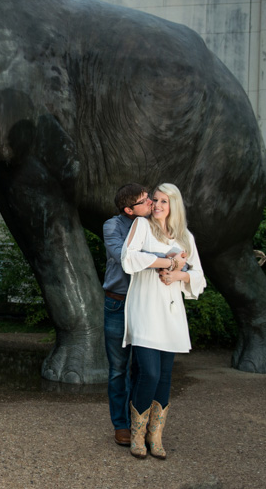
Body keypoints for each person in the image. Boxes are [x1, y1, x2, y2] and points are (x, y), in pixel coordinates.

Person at [121, 183, 205, 459]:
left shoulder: (185, 237)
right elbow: (129, 258)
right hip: (144, 308)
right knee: (150, 373)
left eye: (163, 202)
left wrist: (180, 275)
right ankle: (137, 435)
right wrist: (167, 262)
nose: (156, 205)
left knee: (165, 377)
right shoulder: (142, 227)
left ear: (174, 206)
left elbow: (199, 278)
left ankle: (154, 436)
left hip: (170, 312)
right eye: (154, 200)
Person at [102, 183, 153, 446]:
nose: (151, 203)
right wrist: (162, 258)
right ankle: (120, 425)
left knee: (143, 367)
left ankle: (139, 422)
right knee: (118, 370)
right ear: (128, 210)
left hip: (146, 304)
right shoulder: (113, 227)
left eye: (150, 197)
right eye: (144, 201)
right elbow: (125, 257)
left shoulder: (156, 224)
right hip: (118, 304)